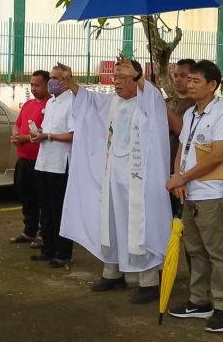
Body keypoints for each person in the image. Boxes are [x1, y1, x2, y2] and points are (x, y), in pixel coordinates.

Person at [59, 56, 173, 304]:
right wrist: (71, 83)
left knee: (139, 226)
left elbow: (151, 94)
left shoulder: (148, 101)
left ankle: (149, 281)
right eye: (115, 78)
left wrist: (138, 74)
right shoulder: (114, 103)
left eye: (122, 78)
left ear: (136, 78)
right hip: (113, 175)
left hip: (139, 181)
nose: (116, 83)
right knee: (110, 223)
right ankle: (113, 273)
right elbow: (89, 102)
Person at [165, 60, 223, 332]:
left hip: (211, 193)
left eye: (197, 81)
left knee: (217, 251)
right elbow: (181, 150)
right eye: (189, 80)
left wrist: (183, 177)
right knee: (195, 249)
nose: (190, 84)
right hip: (189, 191)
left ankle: (222, 307)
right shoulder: (191, 115)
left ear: (212, 86)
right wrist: (177, 179)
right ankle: (199, 301)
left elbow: (218, 156)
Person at [29, 64, 76, 267]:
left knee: (59, 210)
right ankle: (48, 249)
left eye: (56, 78)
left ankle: (63, 252)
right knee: (45, 209)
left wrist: (47, 135)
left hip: (60, 165)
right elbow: (48, 129)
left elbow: (73, 135)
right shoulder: (52, 102)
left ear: (65, 81)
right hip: (44, 162)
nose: (51, 82)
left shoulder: (72, 102)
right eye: (51, 78)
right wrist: (38, 133)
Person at [9, 71, 49, 247]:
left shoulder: (51, 106)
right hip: (23, 159)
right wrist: (16, 134)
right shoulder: (27, 105)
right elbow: (17, 124)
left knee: (43, 199)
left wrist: (24, 138)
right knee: (26, 197)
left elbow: (45, 132)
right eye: (31, 85)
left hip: (40, 161)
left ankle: (43, 234)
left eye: (37, 85)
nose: (33, 88)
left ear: (47, 85)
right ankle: (29, 231)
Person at [166, 59, 197, 216]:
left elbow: (180, 129)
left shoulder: (195, 105)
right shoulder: (169, 101)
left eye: (183, 75)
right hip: (165, 170)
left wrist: (162, 106)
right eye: (176, 75)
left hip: (185, 174)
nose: (178, 79)